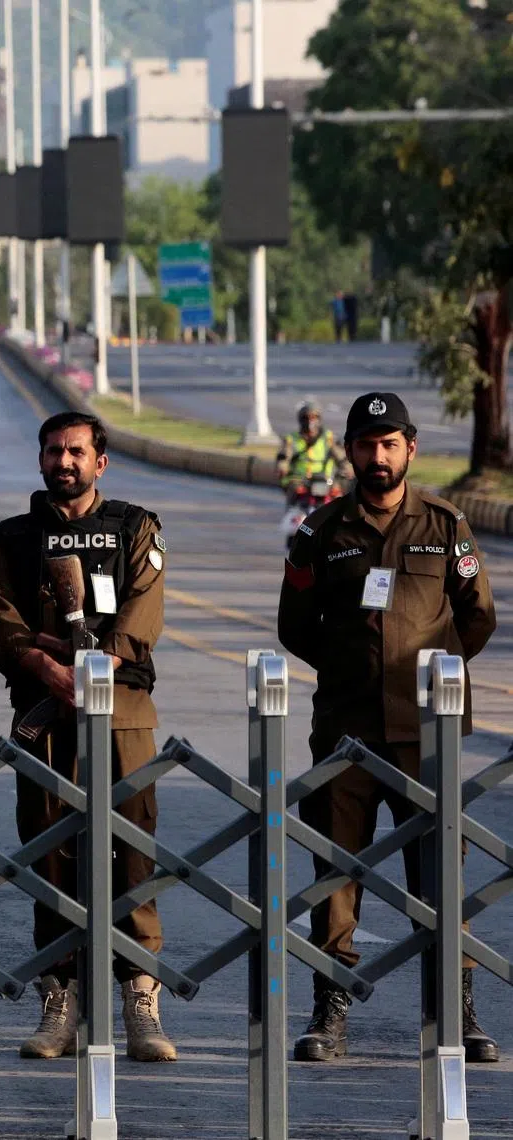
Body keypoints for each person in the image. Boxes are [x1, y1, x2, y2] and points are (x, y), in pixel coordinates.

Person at [278, 391, 499, 1064]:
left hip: (425, 732)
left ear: (410, 449)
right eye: (367, 444)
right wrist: (354, 672)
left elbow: (477, 614)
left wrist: (422, 676)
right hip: (345, 732)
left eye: (390, 444)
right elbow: (295, 626)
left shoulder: (445, 525)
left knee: (438, 875)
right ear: (349, 451)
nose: (378, 456)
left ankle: (454, 1014)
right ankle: (330, 1012)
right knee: (336, 873)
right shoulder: (320, 533)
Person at [0, 411, 175, 1064]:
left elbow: (143, 611)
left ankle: (140, 998)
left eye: (77, 452)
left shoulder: (135, 527)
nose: (64, 461)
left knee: (132, 855)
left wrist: (96, 668)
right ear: (40, 459)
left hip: (121, 715)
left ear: (101, 463)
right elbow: (4, 625)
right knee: (50, 855)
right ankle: (58, 998)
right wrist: (48, 668)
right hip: (44, 715)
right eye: (53, 451)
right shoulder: (12, 539)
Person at [276, 400, 349, 502]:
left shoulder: (329, 438)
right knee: (295, 509)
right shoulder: (291, 439)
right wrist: (282, 467)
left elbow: (342, 458)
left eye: (313, 417)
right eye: (306, 418)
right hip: (300, 482)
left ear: (319, 419)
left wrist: (345, 472)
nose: (310, 421)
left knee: (339, 503)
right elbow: (283, 456)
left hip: (326, 482)